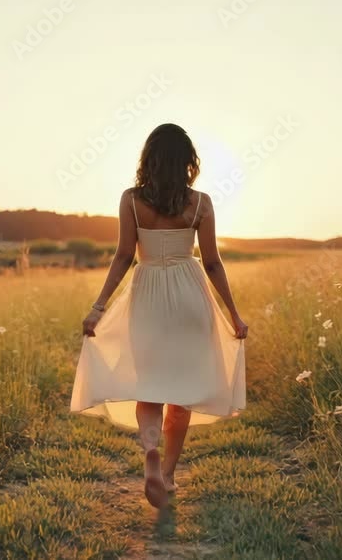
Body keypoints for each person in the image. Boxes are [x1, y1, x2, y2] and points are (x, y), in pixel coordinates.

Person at [70, 123, 248, 509]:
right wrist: (234, 314)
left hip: (147, 296)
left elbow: (122, 256)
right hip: (190, 297)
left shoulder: (132, 200)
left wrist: (98, 308)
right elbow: (214, 263)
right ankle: (167, 474)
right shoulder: (200, 203)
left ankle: (150, 452)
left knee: (149, 385)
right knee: (181, 393)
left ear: (148, 159)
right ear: (187, 162)